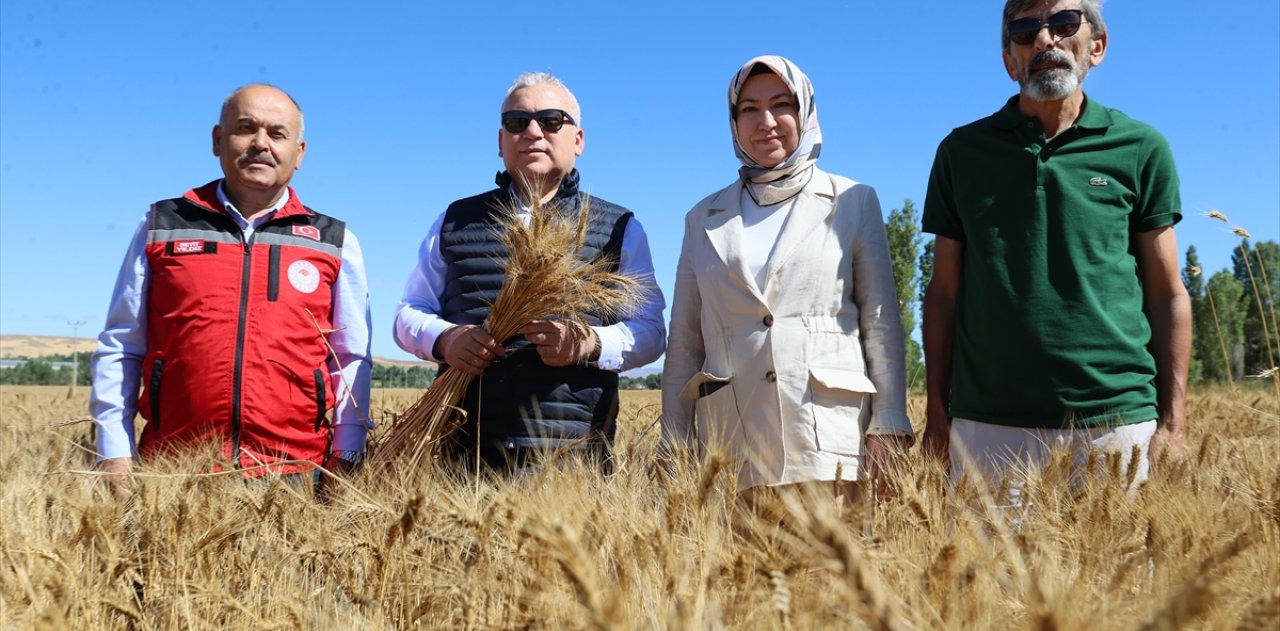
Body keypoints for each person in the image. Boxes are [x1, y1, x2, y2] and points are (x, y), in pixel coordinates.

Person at [921, 0, 1191, 504]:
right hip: (988, 427)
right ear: (1009, 61)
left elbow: (1167, 293)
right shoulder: (961, 154)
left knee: (1119, 583)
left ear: (1097, 47)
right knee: (989, 584)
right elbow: (942, 294)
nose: (1044, 40)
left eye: (1064, 24)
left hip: (1116, 424)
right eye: (1024, 30)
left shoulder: (1141, 148)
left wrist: (1173, 423)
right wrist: (938, 416)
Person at [91, 84, 374, 497]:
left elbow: (350, 357)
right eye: (246, 128)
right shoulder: (162, 225)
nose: (261, 143)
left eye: (278, 134)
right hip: (174, 471)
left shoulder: (332, 240)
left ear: (299, 153)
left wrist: (348, 450)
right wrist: (114, 451)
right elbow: (122, 345)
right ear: (217, 141)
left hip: (295, 471)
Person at [662, 56, 913, 501]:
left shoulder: (853, 201)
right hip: (730, 446)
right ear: (733, 122)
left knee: (835, 572)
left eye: (782, 105)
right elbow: (684, 341)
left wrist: (889, 422)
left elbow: (880, 321)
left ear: (806, 113)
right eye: (749, 109)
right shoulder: (701, 218)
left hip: (828, 441)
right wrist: (675, 442)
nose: (767, 122)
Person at [393, 72, 665, 472]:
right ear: (501, 142)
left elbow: (652, 331)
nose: (533, 131)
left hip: (573, 463)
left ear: (578, 140)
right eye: (517, 122)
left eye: (552, 120)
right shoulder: (455, 220)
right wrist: (446, 339)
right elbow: (407, 313)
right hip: (463, 455)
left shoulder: (619, 228)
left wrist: (589, 343)